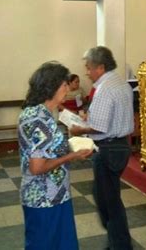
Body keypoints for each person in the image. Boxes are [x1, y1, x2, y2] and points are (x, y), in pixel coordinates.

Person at [18, 61, 93, 250]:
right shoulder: (37, 118)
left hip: (55, 195)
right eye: (64, 84)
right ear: (52, 86)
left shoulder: (41, 113)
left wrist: (71, 142)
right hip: (44, 198)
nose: (67, 89)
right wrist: (71, 157)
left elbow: (47, 149)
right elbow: (37, 167)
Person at [69, 46, 134, 250]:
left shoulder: (105, 88)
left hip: (108, 147)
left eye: (89, 68)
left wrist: (79, 129)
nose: (86, 72)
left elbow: (99, 128)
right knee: (103, 194)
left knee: (109, 202)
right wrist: (88, 119)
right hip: (120, 144)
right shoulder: (120, 82)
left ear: (100, 67)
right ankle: (116, 240)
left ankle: (121, 245)